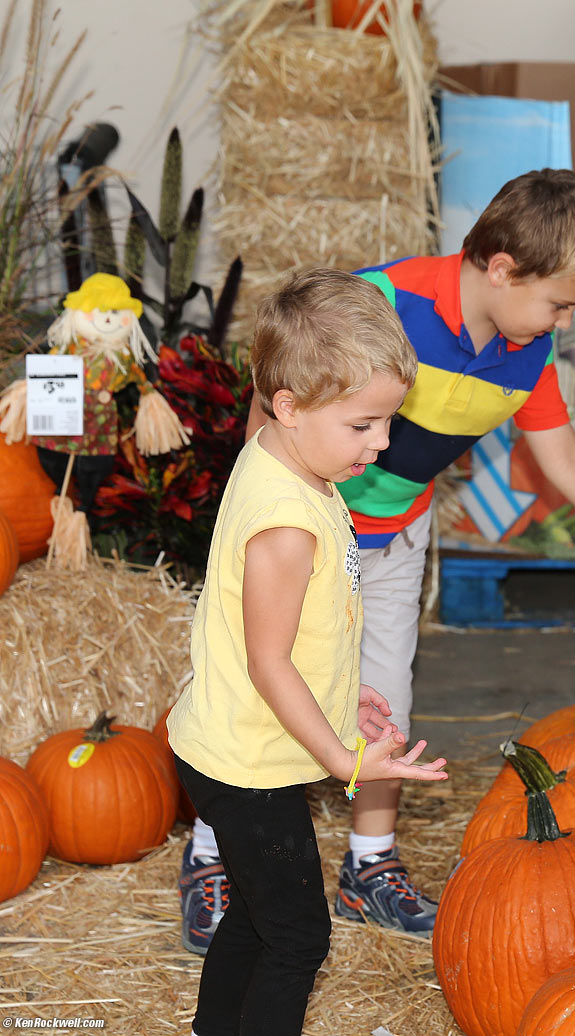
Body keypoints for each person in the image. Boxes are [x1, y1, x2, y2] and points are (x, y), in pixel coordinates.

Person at [179, 167, 575, 946]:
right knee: (254, 691)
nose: (565, 321)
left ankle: (369, 866)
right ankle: (211, 852)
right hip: (302, 540)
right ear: (503, 268)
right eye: (561, 303)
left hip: (395, 539)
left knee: (385, 698)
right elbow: (281, 390)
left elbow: (567, 464)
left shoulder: (527, 351)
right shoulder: (380, 305)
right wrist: (273, 521)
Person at [167, 267, 448, 1036]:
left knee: (260, 916)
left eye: (388, 420)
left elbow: (294, 638)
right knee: (297, 935)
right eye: (363, 425)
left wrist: (339, 694)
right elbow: (268, 661)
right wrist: (345, 758)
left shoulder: (284, 452)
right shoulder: (286, 525)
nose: (382, 442)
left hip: (240, 743)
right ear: (287, 406)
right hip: (246, 764)